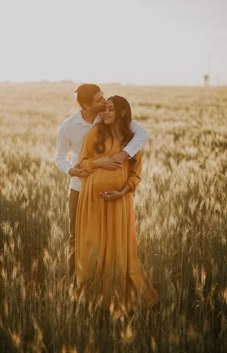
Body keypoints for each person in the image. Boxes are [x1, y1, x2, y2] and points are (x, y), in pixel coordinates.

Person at [55, 84, 149, 276]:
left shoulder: (107, 115)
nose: (104, 102)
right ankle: (75, 282)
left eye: (104, 97)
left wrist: (123, 155)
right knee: (76, 236)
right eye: (99, 100)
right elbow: (59, 157)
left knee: (107, 238)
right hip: (79, 187)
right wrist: (72, 170)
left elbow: (142, 134)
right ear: (85, 105)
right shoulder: (68, 127)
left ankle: (104, 280)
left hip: (110, 195)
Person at [75, 95, 158, 310]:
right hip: (92, 200)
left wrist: (122, 191)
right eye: (104, 109)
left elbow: (135, 173)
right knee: (93, 245)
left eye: (110, 109)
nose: (105, 113)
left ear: (122, 112)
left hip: (120, 202)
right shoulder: (95, 133)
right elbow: (82, 163)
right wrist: (99, 162)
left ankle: (119, 299)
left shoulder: (132, 140)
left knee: (118, 248)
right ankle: (91, 298)